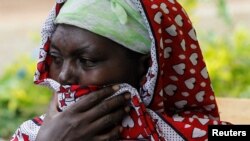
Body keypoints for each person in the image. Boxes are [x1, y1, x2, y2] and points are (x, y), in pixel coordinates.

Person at [11, 0, 230, 140]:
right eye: (56, 58)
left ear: (147, 68)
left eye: (86, 60)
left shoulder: (196, 132)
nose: (65, 76)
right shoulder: (35, 133)